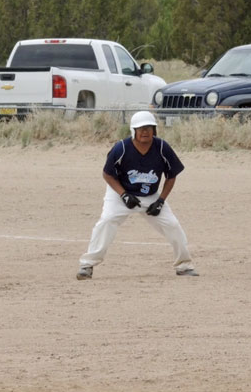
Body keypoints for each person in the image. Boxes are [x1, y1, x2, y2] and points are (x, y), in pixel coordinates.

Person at [76, 110, 198, 279]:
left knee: (173, 225)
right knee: (107, 221)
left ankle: (184, 266)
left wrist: (161, 200)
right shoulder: (122, 148)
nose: (145, 131)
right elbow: (107, 174)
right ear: (133, 131)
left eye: (149, 127)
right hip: (120, 193)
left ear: (154, 130)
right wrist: (124, 195)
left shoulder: (162, 147)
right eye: (141, 128)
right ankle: (87, 265)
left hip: (151, 196)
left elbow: (171, 175)